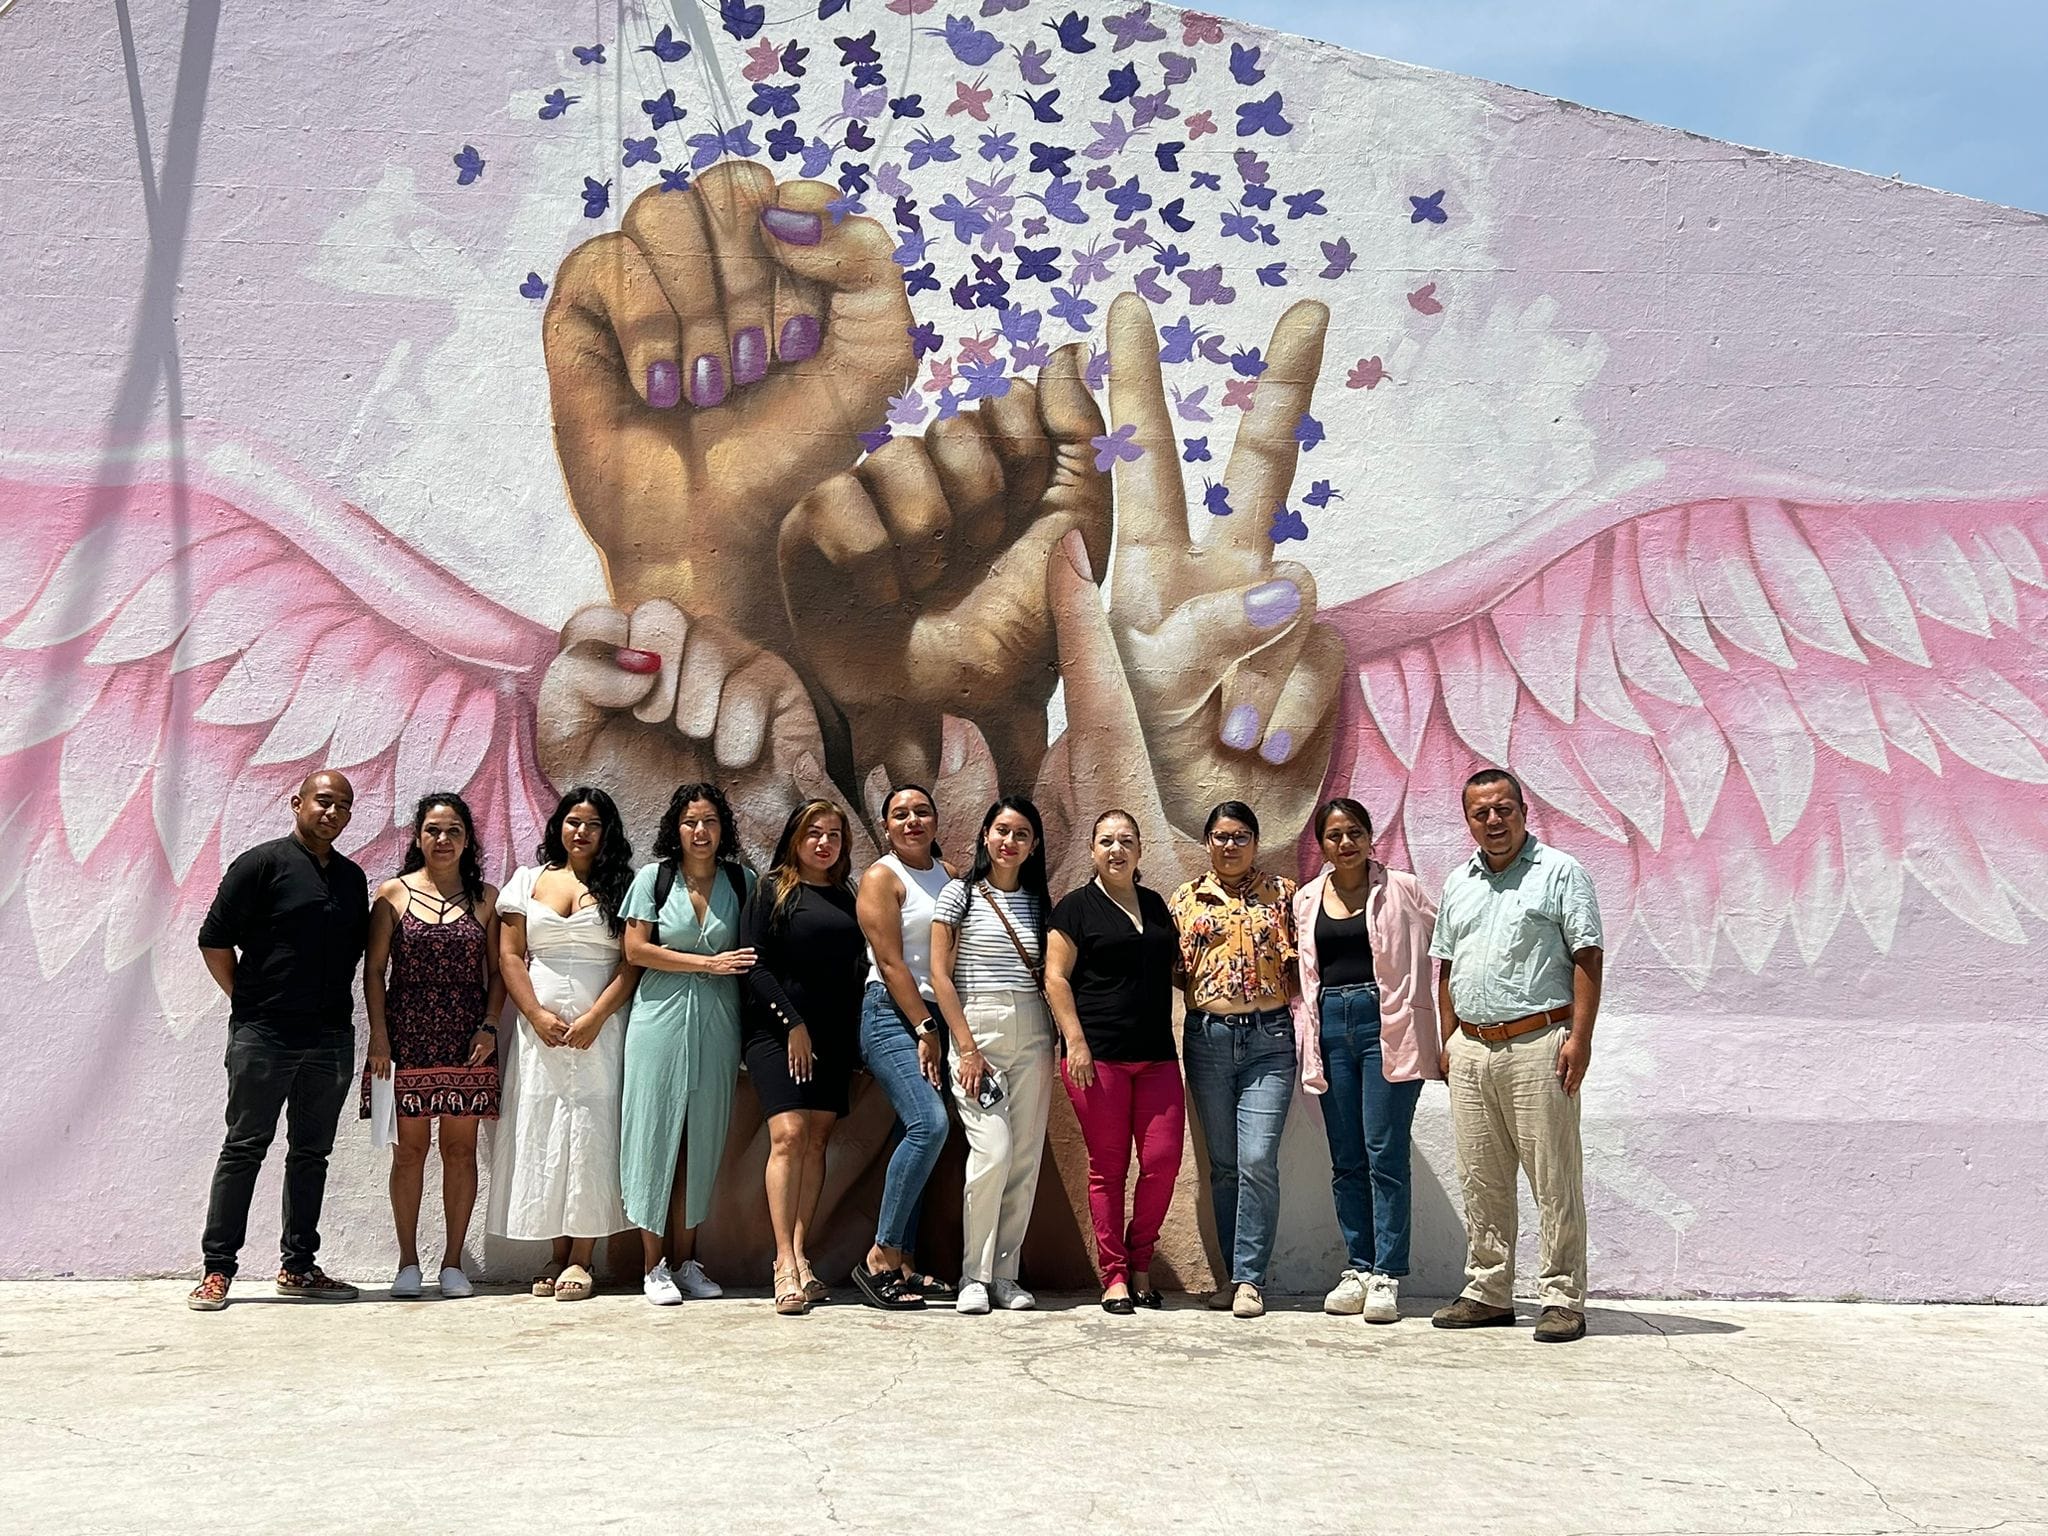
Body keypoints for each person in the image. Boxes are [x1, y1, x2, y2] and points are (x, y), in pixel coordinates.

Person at [1429, 769, 1604, 1344]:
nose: (1494, 821)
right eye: (1481, 813)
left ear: (1524, 810)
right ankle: (1488, 1289)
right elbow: (1447, 967)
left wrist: (1579, 1039)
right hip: (1472, 1049)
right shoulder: (1459, 882)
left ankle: (1561, 1297)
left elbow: (1587, 957)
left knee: (1553, 1177)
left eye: (1503, 809)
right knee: (1481, 1177)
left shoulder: (1561, 872)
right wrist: (1449, 1039)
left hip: (1539, 1043)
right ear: (1469, 821)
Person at [189, 770, 371, 1311]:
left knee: (311, 1153)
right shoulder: (260, 865)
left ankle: (298, 1267)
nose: (332, 813)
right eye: (323, 801)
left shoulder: (350, 877)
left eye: (343, 806)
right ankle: (218, 1269)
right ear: (297, 803)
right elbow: (214, 939)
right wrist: (245, 1001)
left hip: (330, 1036)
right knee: (244, 1149)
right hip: (264, 1034)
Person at [1292, 797, 1441, 1324]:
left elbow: (1448, 943)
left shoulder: (1404, 889)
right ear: (1322, 844)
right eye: (1333, 835)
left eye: (1354, 831)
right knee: (1347, 1158)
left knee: (1384, 1153)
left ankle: (1387, 1273)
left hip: (1388, 1026)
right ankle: (1357, 1266)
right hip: (1330, 1025)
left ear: (1370, 835)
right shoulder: (1307, 899)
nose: (1345, 843)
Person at [487, 787, 638, 1302]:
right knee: (544, 1129)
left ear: (607, 832)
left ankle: (582, 1257)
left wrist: (596, 1016)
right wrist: (534, 1014)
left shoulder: (625, 886)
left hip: (603, 1029)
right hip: (540, 1033)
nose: (581, 831)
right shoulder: (528, 881)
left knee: (594, 1132)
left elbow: (631, 963)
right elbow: (510, 956)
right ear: (559, 826)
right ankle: (556, 1251)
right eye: (573, 821)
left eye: (593, 824)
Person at [363, 793, 503, 1301]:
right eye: (433, 831)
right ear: (418, 837)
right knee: (409, 1154)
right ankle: (407, 1263)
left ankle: (452, 1263)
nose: (442, 841)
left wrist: (489, 1026)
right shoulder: (392, 894)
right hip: (405, 1037)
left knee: (461, 1151)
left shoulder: (487, 898)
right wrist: (379, 1037)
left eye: (453, 832)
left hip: (468, 1041)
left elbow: (497, 972)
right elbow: (375, 971)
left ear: (468, 839)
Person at [620, 782, 755, 1306]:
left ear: (723, 829)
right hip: (657, 1021)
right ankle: (653, 1265)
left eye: (710, 822)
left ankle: (688, 1261)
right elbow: (635, 950)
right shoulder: (653, 880)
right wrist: (706, 964)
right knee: (653, 1136)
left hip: (718, 1024)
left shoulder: (742, 881)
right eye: (690, 822)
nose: (701, 832)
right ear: (675, 829)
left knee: (703, 1139)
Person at [1045, 810, 1184, 1315]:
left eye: (1126, 840)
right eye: (1105, 841)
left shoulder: (1155, 905)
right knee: (1108, 1169)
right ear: (1092, 851)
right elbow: (1056, 977)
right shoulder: (1075, 909)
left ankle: (1141, 1257)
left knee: (1163, 1163)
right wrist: (1075, 1041)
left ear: (1140, 851)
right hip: (1096, 1058)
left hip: (1157, 1059)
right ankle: (1116, 1275)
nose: (1116, 849)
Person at [1169, 801, 1299, 1320]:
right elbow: (1179, 970)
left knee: (1256, 1161)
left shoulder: (1283, 896)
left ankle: (1250, 1279)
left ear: (1256, 841)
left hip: (1270, 1039)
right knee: (1223, 1168)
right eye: (1221, 836)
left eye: (1241, 835)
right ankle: (1230, 1277)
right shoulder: (1185, 901)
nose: (1230, 845)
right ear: (1207, 842)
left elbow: (1300, 966)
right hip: (1207, 1039)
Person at [929, 796, 1055, 1317]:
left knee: (1024, 1159)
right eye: (1002, 831)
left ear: (1033, 846)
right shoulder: (960, 895)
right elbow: (940, 974)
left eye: (1021, 834)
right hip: (976, 1026)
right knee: (993, 1153)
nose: (1009, 841)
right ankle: (973, 1276)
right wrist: (965, 1046)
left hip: (1034, 1032)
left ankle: (1005, 1274)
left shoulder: (1040, 902)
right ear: (984, 836)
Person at [741, 799, 866, 1316]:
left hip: (834, 1039)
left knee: (816, 1141)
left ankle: (801, 1253)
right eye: (814, 832)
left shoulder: (847, 896)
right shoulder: (771, 889)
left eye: (834, 834)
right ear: (795, 837)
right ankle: (783, 1262)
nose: (824, 842)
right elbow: (754, 964)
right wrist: (792, 1023)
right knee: (788, 1135)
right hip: (777, 1033)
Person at [851, 784, 957, 1310]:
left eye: (921, 812)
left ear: (936, 820)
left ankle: (908, 1264)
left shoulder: (949, 875)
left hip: (935, 1016)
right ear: (886, 826)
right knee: (928, 1124)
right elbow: (891, 963)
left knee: (913, 1132)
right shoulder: (880, 877)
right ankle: (882, 1254)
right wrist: (925, 1027)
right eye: (900, 815)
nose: (912, 821)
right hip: (893, 1014)